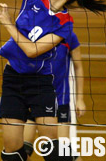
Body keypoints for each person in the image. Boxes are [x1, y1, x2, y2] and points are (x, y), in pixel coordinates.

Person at [0, 0, 106, 161]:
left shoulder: (65, 23)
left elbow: (32, 50)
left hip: (41, 84)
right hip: (13, 79)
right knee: (13, 151)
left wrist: (7, 23)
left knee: (52, 149)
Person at [23, 32, 85, 160]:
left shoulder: (69, 36)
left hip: (59, 101)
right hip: (32, 98)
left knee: (59, 152)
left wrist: (80, 99)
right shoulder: (32, 32)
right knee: (20, 152)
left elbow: (78, 67)